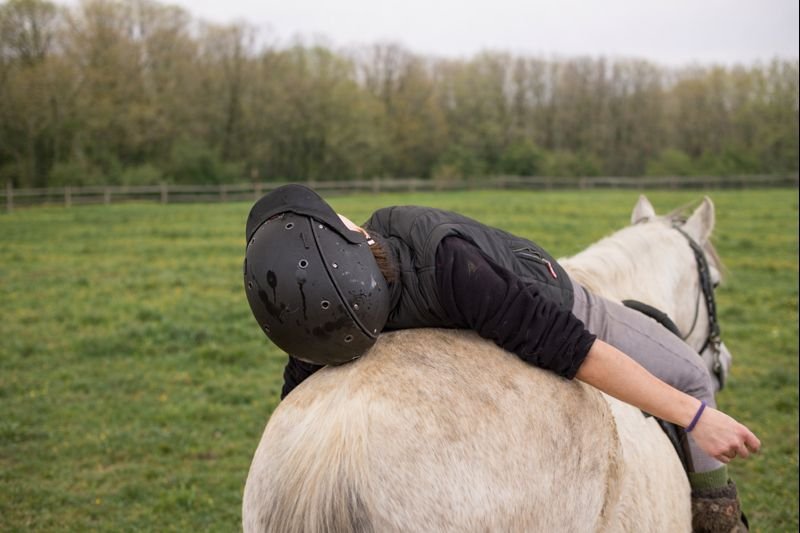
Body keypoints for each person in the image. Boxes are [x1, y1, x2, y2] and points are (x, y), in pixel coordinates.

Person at [243, 184, 760, 532]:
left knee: (690, 382)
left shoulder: (446, 264)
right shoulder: (332, 317)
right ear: (349, 233)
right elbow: (300, 400)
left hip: (552, 299)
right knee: (695, 374)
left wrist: (694, 417)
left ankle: (715, 517)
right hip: (525, 296)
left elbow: (574, 349)